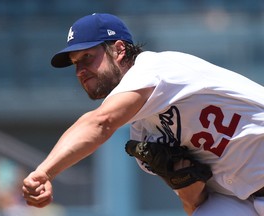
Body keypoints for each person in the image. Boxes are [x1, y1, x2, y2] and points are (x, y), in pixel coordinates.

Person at [22, 13, 264, 215]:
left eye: (87, 57)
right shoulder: (144, 132)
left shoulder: (155, 69)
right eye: (75, 63)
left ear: (118, 50)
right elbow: (194, 205)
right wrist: (187, 186)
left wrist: (44, 172)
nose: (80, 70)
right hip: (241, 198)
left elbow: (101, 122)